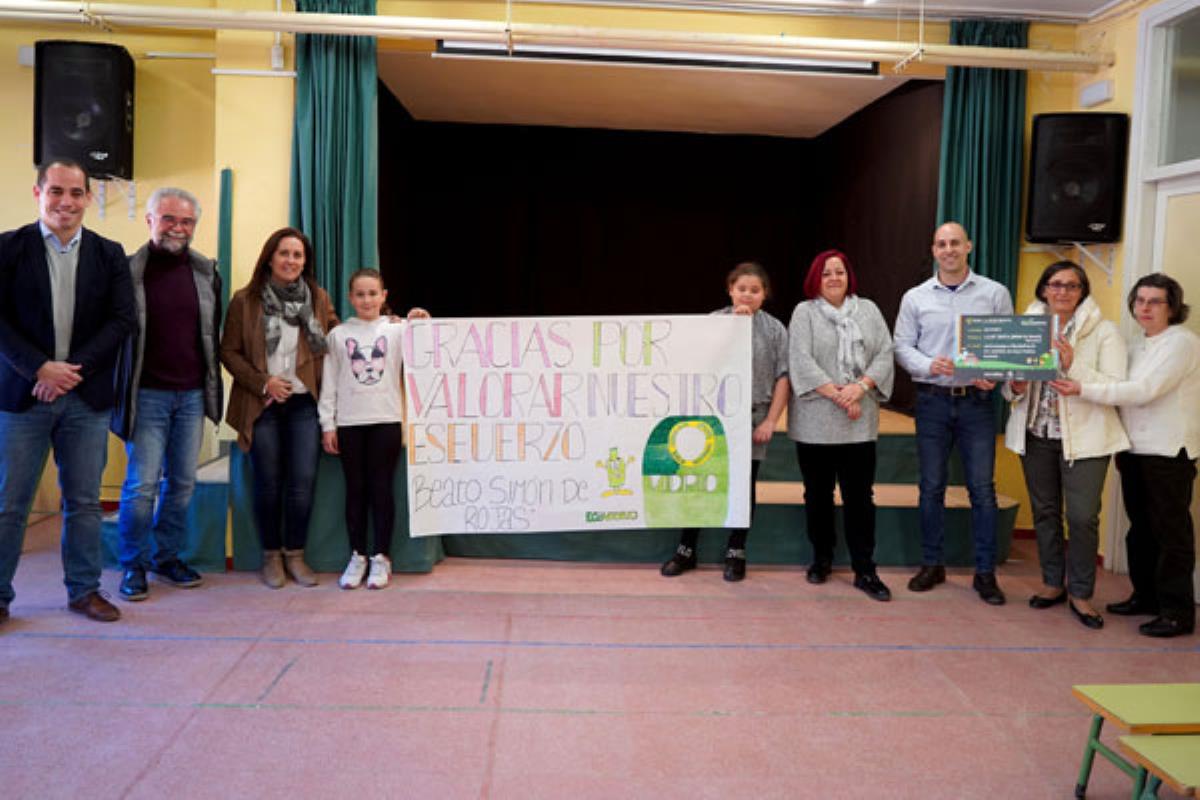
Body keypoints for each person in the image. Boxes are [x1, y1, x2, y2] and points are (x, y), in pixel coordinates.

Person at [0, 158, 136, 625]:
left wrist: (70, 372)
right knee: (9, 503)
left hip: (84, 399)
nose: (66, 202)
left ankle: (84, 591)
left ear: (88, 199)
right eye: (56, 191)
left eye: (76, 193)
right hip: (23, 396)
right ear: (38, 193)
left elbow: (123, 320)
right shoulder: (7, 248)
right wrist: (39, 367)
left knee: (83, 502)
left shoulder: (109, 254)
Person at [1054, 273, 1199, 638]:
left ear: (1173, 307)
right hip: (1135, 450)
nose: (1145, 308)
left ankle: (1178, 612)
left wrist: (1081, 387)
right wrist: (1075, 367)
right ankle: (1146, 597)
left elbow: (1141, 391)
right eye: (1140, 301)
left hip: (1170, 451)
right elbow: (1114, 383)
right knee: (1141, 530)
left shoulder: (1181, 343)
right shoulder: (1136, 345)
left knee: (1171, 533)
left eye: (1155, 302)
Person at [111, 187, 223, 602]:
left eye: (186, 221)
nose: (178, 228)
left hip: (192, 395)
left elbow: (212, 333)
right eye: (169, 219)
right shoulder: (126, 272)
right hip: (148, 397)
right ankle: (133, 565)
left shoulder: (206, 272)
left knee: (182, 484)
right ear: (150, 220)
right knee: (141, 487)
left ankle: (167, 556)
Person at [1002, 261, 1128, 629]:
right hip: (1036, 435)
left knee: (1083, 517)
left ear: (1082, 292)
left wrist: (1074, 367)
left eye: (1072, 286)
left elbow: (1116, 386)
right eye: (1055, 284)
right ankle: (1053, 583)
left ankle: (1083, 594)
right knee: (1045, 513)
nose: (1062, 291)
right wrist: (1017, 386)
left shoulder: (1104, 333)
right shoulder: (1026, 329)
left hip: (1087, 441)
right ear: (1043, 290)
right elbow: (1009, 385)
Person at [893, 221, 1013, 605]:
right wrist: (930, 365)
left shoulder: (994, 293)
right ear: (933, 250)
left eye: (955, 243)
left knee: (982, 490)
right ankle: (932, 564)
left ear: (969, 247)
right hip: (931, 402)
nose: (949, 250)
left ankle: (985, 573)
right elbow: (901, 346)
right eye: (942, 244)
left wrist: (992, 375)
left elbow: (1007, 347)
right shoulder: (915, 297)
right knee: (931, 488)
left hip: (977, 405)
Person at [220, 227, 337, 589]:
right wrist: (263, 382)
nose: (291, 260)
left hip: (304, 404)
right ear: (270, 257)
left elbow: (338, 338)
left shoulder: (317, 298)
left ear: (305, 262)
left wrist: (388, 323)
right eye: (284, 253)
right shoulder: (245, 299)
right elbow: (229, 352)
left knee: (302, 483)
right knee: (268, 484)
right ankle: (271, 556)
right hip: (262, 404)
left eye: (298, 255)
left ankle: (295, 555)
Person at [660, 262, 789, 581]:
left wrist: (771, 420)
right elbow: (699, 364)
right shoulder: (713, 323)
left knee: (744, 486)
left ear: (765, 295)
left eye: (754, 290)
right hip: (712, 418)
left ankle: (736, 549)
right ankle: (686, 549)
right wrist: (732, 329)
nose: (747, 295)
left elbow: (783, 377)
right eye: (741, 289)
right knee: (701, 484)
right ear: (730, 290)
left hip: (753, 416)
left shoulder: (774, 329)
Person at [787, 250, 895, 601]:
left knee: (860, 498)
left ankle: (865, 569)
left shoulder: (869, 310)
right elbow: (799, 359)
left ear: (849, 277)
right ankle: (821, 559)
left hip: (858, 422)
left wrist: (859, 388)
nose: (834, 278)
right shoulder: (804, 312)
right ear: (815, 279)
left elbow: (884, 353)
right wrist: (839, 395)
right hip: (815, 419)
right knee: (817, 496)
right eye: (826, 273)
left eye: (840, 272)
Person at [319, 269, 429, 590]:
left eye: (373, 293)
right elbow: (329, 385)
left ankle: (381, 556)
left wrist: (421, 318)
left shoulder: (396, 331)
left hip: (386, 423)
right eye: (360, 294)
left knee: (381, 490)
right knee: (356, 491)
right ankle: (357, 556)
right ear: (350, 298)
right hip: (350, 425)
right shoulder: (338, 336)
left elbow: (426, 342)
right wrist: (328, 424)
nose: (367, 300)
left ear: (384, 296)